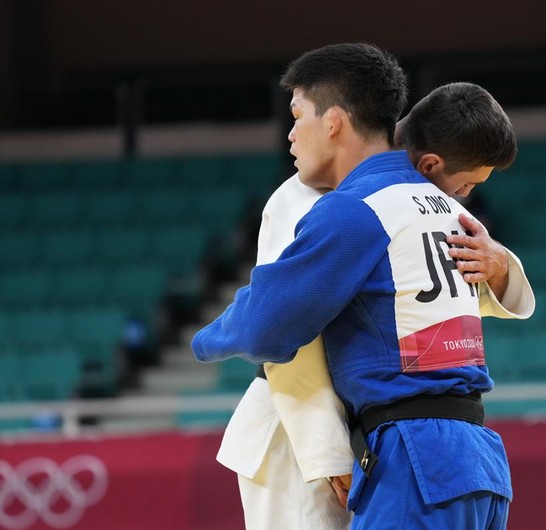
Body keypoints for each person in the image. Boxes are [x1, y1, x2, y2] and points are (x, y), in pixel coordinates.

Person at [193, 43, 529, 529]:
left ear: (332, 122)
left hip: (399, 449)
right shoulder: (435, 204)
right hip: (454, 451)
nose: (288, 135)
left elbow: (274, 328)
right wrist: (329, 450)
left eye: (296, 116)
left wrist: (201, 340)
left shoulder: (352, 206)